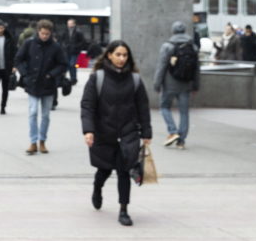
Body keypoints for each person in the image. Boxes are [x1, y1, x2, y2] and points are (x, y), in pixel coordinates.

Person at [80, 40, 152, 227]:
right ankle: (97, 188)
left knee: (123, 171)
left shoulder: (135, 80)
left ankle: (124, 210)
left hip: (128, 133)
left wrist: (146, 131)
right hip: (104, 132)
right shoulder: (98, 78)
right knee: (104, 169)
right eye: (118, 54)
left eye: (125, 55)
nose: (121, 59)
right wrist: (88, 130)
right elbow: (88, 105)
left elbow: (143, 107)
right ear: (109, 55)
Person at [14, 19, 68, 155]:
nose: (45, 36)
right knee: (32, 112)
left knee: (45, 115)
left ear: (50, 33)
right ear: (38, 32)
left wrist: (51, 74)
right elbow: (18, 59)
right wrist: (25, 74)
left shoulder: (55, 47)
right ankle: (33, 142)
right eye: (43, 33)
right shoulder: (29, 43)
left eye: (47, 34)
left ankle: (42, 141)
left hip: (48, 85)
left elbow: (63, 64)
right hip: (32, 83)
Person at [153, 21, 200, 150]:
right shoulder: (193, 47)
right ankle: (181, 141)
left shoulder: (167, 46)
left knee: (164, 107)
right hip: (186, 85)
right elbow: (196, 68)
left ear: (173, 31)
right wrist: (196, 85)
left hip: (169, 84)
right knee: (184, 112)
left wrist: (157, 84)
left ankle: (172, 131)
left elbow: (161, 66)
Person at [63, 18, 87, 85]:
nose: (69, 25)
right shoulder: (66, 31)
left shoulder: (78, 32)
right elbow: (62, 40)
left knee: (72, 64)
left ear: (74, 24)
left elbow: (83, 41)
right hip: (67, 51)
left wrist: (76, 47)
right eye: (68, 23)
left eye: (70, 23)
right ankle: (70, 78)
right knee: (67, 64)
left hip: (74, 51)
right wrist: (64, 46)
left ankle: (73, 79)